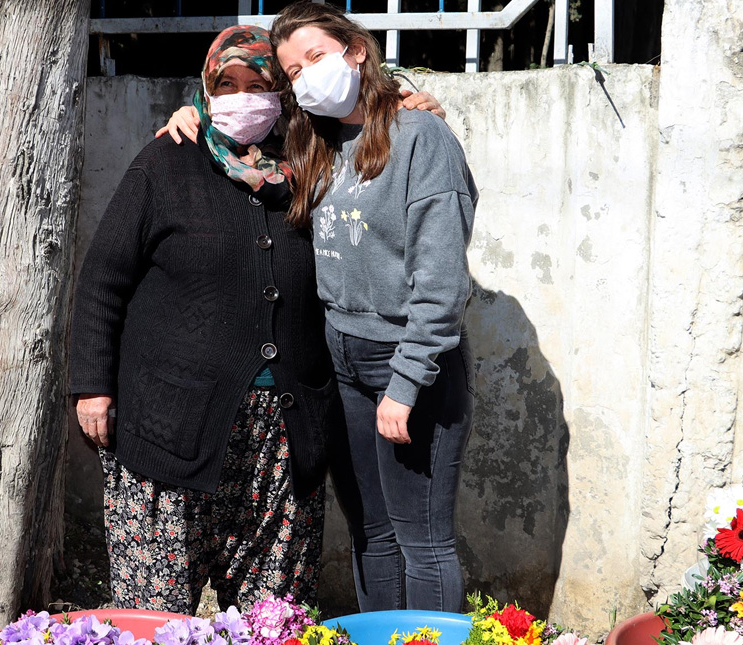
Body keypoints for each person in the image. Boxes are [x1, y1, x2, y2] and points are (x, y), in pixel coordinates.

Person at [68, 26, 338, 614]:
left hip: (283, 435)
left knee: (274, 626)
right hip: (171, 423)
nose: (242, 98)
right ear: (206, 90)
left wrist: (410, 95)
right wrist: (92, 386)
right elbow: (104, 278)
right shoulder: (168, 159)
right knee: (154, 626)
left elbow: (370, 102)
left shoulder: (314, 162)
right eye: (227, 85)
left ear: (282, 94)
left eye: (257, 84)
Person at [270, 2, 479, 613]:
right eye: (293, 72)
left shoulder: (422, 137)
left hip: (408, 361)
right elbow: (235, 115)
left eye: (316, 57)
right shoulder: (316, 142)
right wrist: (188, 114)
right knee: (372, 533)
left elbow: (440, 282)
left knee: (423, 539)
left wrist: (407, 382)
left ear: (355, 50)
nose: (306, 77)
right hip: (343, 360)